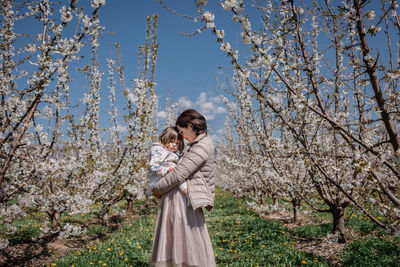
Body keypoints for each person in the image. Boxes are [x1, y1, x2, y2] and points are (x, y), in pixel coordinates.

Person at [151, 109, 216, 267]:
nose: (182, 137)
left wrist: (156, 189)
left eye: (182, 132)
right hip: (180, 198)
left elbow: (178, 175)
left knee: (184, 237)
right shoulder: (198, 144)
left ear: (190, 126)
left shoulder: (201, 147)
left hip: (183, 201)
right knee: (182, 237)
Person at [146, 126, 187, 198]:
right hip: (157, 178)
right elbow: (153, 166)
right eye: (171, 141)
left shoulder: (168, 152)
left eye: (177, 143)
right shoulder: (158, 151)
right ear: (164, 139)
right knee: (179, 178)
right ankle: (186, 192)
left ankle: (186, 193)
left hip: (164, 178)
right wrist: (166, 170)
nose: (174, 145)